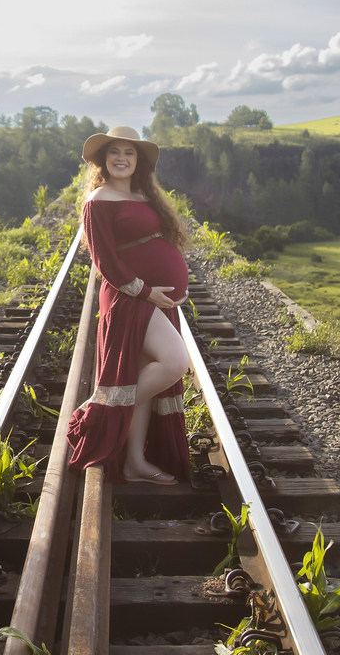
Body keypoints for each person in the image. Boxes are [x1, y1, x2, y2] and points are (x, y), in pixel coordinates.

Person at [66, 126, 192, 484]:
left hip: (154, 299)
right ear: (103, 160)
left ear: (138, 161)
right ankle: (96, 410)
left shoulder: (143, 196)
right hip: (129, 297)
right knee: (174, 361)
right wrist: (145, 290)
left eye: (129, 153)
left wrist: (175, 288)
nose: (121, 158)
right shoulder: (97, 200)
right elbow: (104, 260)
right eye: (114, 152)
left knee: (143, 376)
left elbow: (161, 245)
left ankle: (134, 461)